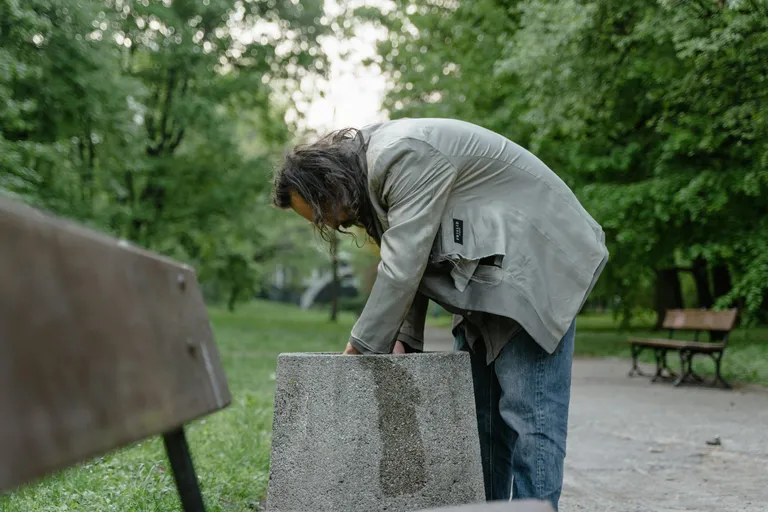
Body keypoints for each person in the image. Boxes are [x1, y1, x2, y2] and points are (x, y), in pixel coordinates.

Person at [271, 117, 608, 510]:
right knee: (482, 421)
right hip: (487, 277)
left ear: (326, 183)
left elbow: (403, 265)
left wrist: (359, 351)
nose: (328, 224)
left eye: (318, 213)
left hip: (536, 264)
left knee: (530, 416)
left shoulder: (401, 154)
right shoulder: (369, 177)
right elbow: (405, 256)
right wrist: (402, 338)